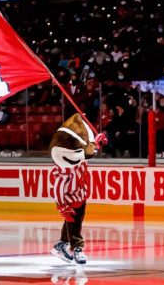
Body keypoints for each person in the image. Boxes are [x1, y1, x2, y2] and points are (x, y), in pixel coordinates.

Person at [49, 113, 107, 264]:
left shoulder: (80, 155)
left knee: (75, 221)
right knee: (74, 223)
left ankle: (61, 244)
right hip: (69, 198)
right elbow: (58, 187)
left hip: (80, 194)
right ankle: (77, 249)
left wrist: (98, 142)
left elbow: (89, 151)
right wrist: (62, 205)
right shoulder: (65, 166)